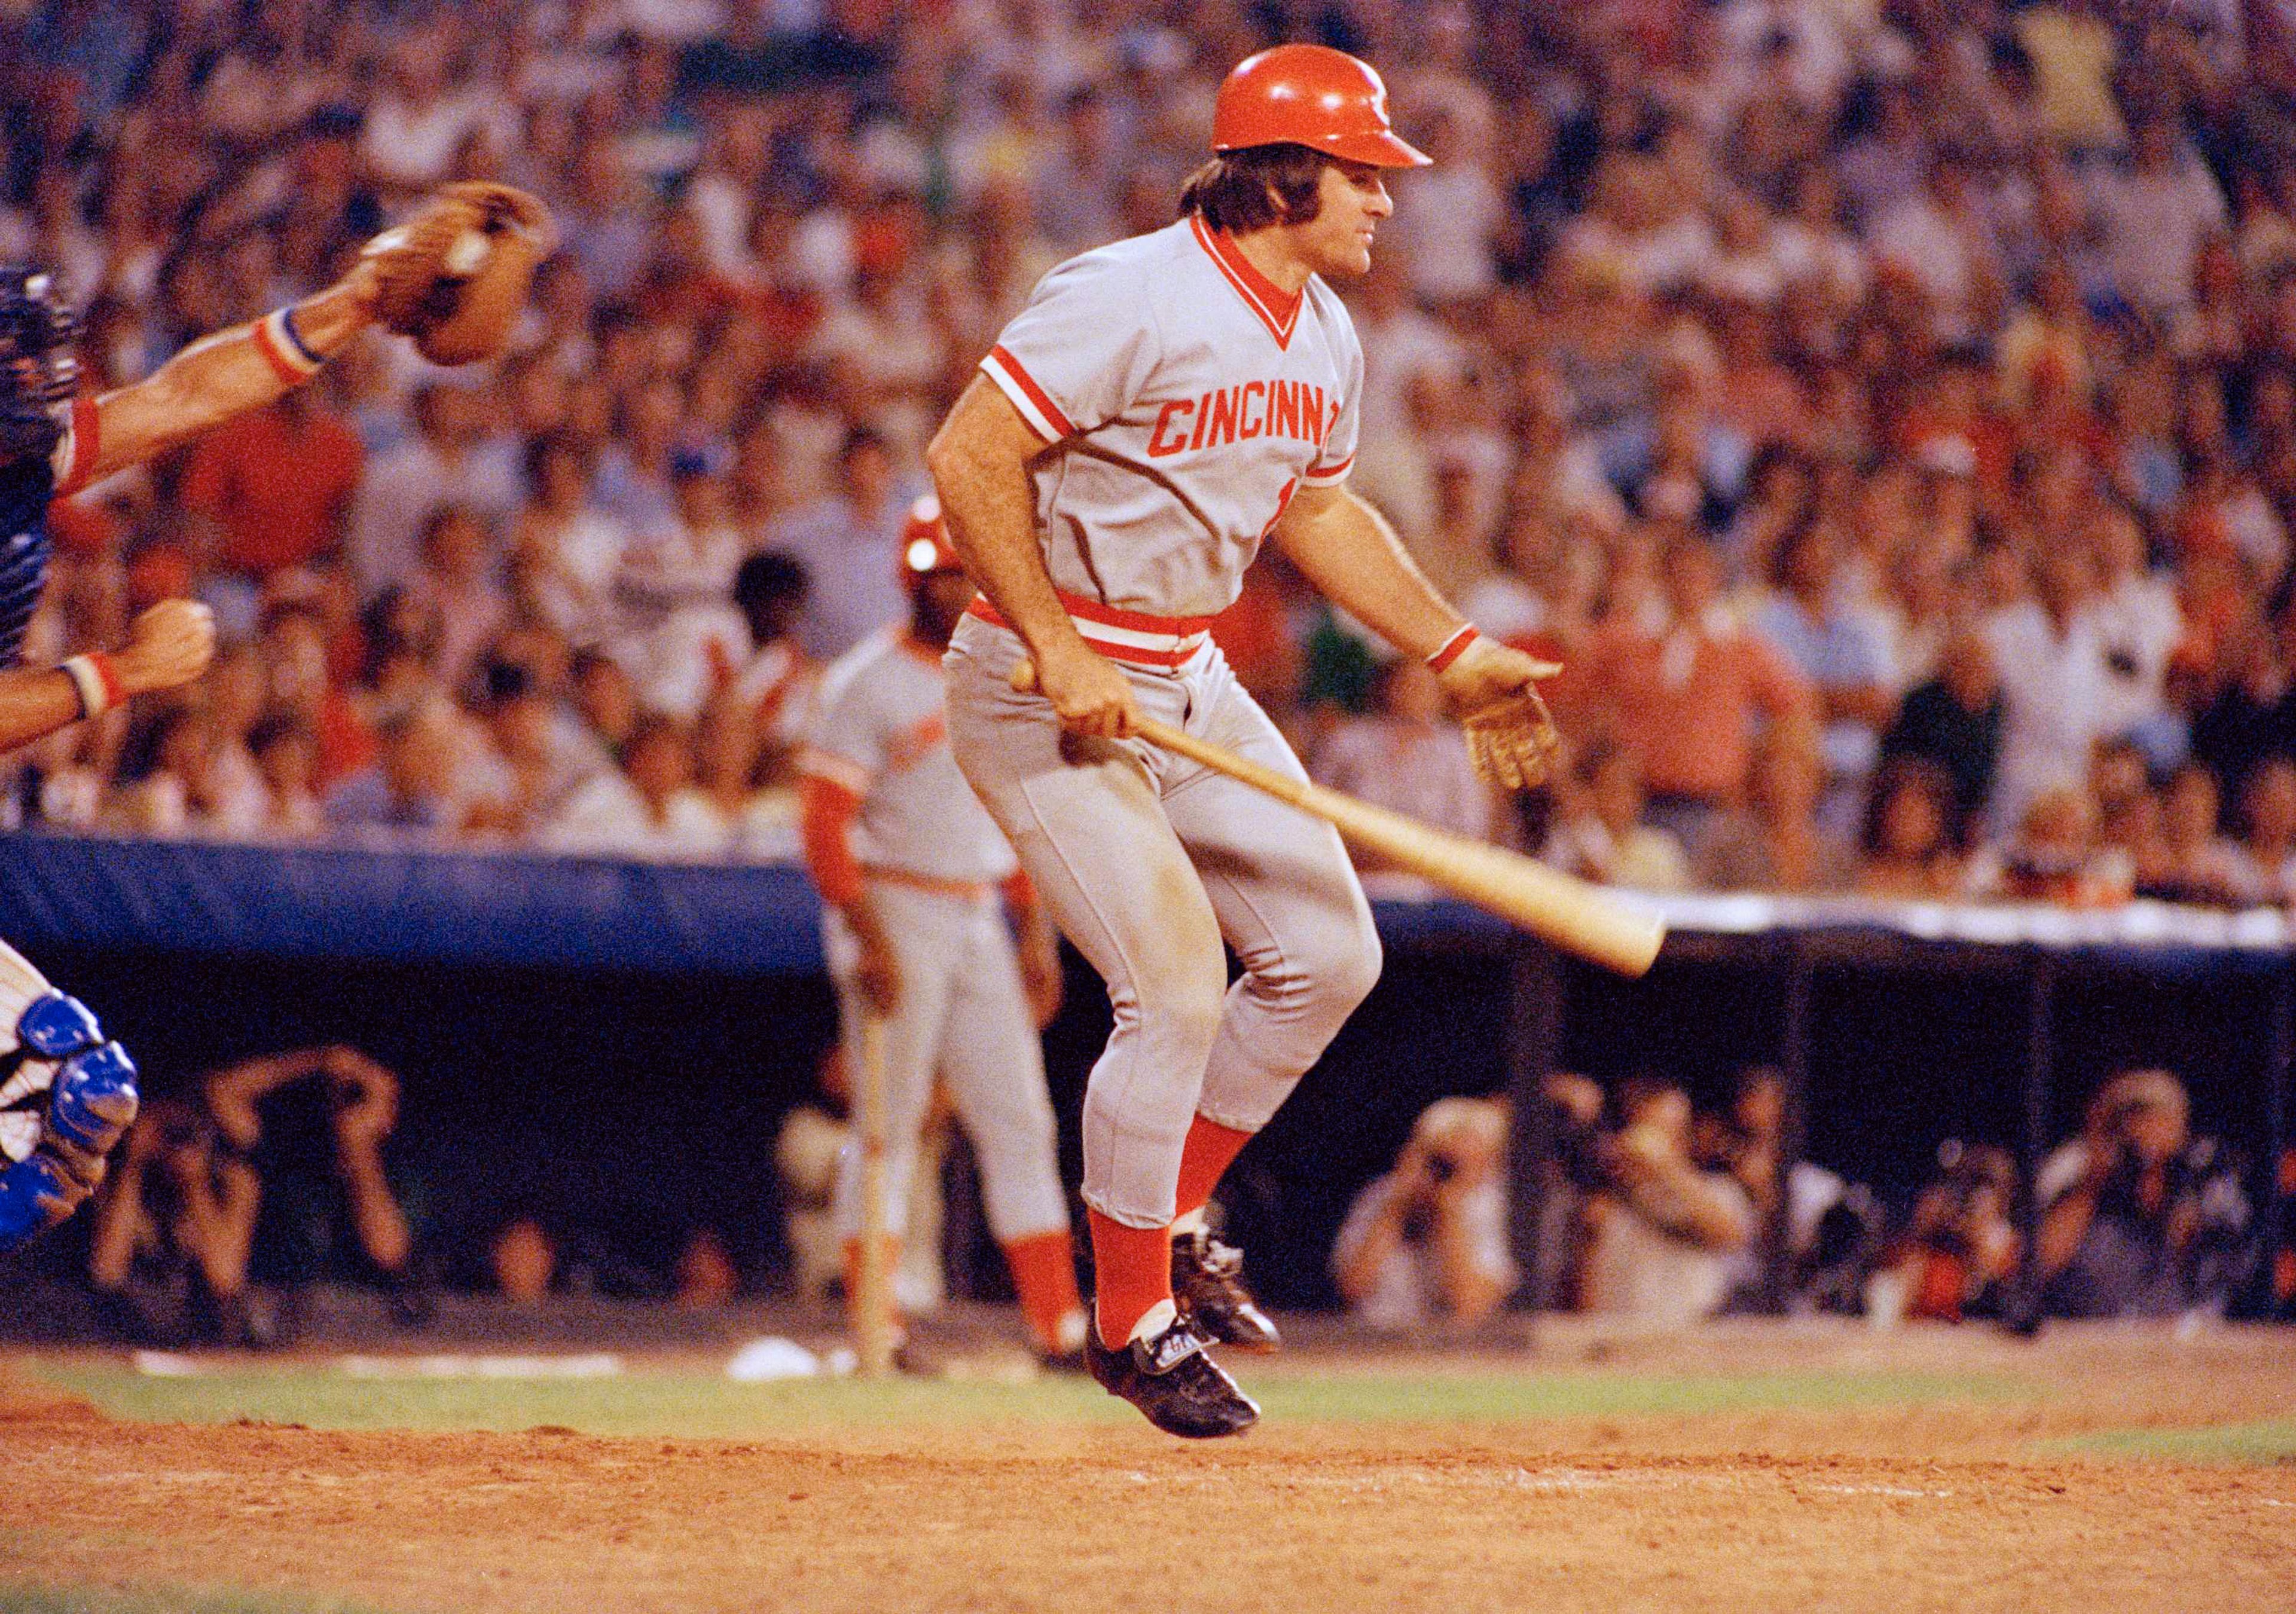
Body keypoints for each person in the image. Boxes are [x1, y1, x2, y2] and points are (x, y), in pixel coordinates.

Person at [927, 44, 1559, 1436]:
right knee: (1173, 986)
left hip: (1183, 671)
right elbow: (968, 456)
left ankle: (1168, 1204)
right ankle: (1129, 1316)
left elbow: (1317, 513)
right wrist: (1053, 636)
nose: (1386, 201)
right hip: (1041, 680)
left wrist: (1452, 650)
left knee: (1332, 955)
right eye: (1363, 174)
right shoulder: (1128, 291)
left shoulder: (1322, 327)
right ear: (1282, 174)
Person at [0, 237, 398, 1254]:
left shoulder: (32, 454)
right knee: (67, 1091)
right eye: (9, 352)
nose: (33, 375)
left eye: (40, 351)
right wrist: (116, 673)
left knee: (82, 1103)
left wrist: (346, 307)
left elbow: (185, 395)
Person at [797, 498, 1086, 1368]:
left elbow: (1010, 813)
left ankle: (1057, 1327)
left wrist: (1033, 929)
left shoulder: (1000, 674)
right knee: (888, 1129)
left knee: (1020, 1120)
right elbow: (822, 825)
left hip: (976, 912)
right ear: (909, 578)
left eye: (964, 573)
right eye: (938, 575)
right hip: (894, 906)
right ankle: (875, 1328)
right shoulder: (865, 681)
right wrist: (867, 936)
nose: (953, 589)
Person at [2038, 1068, 2254, 1319]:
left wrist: (2172, 1189)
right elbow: (2042, 1262)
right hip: (2089, 1332)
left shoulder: (2202, 1174)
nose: (2148, 1132)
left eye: (2160, 1119)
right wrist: (2095, 1180)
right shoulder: (2077, 1166)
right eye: (2136, 1118)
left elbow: (2234, 1268)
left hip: (2177, 1336)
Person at [1331, 1096, 1515, 1330]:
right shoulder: (1384, 1196)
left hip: (1452, 1351)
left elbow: (1471, 1305)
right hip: (1374, 1340)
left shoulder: (1492, 1206)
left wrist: (1448, 1214)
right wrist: (1399, 1205)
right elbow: (1352, 1288)